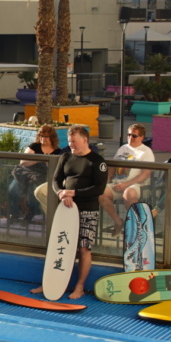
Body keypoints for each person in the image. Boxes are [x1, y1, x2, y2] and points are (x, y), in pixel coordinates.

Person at [36, 124, 108, 300]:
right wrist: (61, 193)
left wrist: (74, 193)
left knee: (84, 248)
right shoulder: (66, 156)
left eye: (75, 142)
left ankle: (80, 286)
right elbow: (56, 180)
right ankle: (50, 282)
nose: (72, 146)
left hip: (87, 210)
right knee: (59, 246)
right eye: (70, 142)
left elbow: (99, 188)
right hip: (66, 209)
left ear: (85, 140)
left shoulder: (97, 161)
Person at [101, 123, 154, 232]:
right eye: (129, 135)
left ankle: (135, 226)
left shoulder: (146, 152)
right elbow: (112, 167)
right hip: (118, 183)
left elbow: (145, 174)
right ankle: (118, 222)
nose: (131, 138)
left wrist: (126, 184)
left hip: (137, 185)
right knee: (101, 193)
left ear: (142, 137)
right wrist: (107, 179)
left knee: (128, 193)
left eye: (134, 136)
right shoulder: (123, 148)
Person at [11, 124, 65, 223]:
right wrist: (40, 159)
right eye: (41, 136)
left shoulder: (57, 151)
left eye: (46, 136)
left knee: (34, 192)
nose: (43, 138)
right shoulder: (34, 146)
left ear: (52, 137)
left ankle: (30, 215)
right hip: (26, 173)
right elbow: (23, 162)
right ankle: (14, 214)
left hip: (43, 176)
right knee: (12, 189)